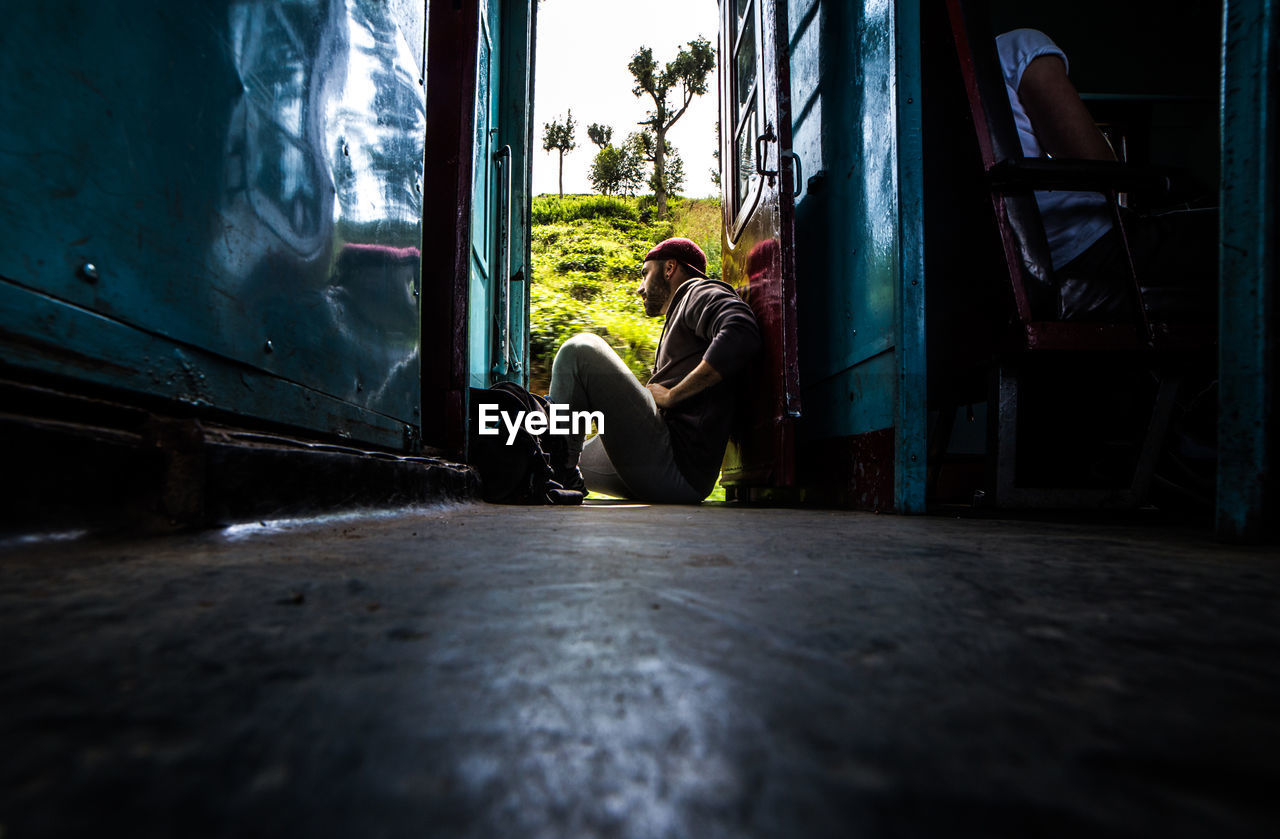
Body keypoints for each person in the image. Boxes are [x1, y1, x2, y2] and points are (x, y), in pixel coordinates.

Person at [997, 28, 1216, 320]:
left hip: (1012, 264)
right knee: (1245, 229)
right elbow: (1100, 165)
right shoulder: (1016, 48)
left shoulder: (922, 98)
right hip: (1083, 245)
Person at [547, 237, 761, 503]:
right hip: (668, 470)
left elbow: (742, 332)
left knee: (579, 351)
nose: (640, 288)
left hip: (676, 466)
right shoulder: (680, 313)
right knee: (545, 455)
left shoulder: (697, 292)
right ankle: (550, 467)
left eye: (645, 274)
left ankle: (557, 472)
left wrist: (673, 396)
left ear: (669, 268)